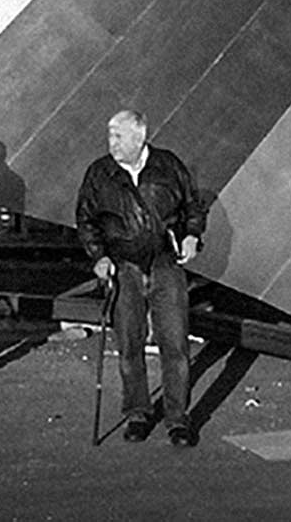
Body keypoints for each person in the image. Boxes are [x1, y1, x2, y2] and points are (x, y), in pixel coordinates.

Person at [75, 110, 206, 447]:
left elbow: (194, 206)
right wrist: (99, 256)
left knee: (174, 343)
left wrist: (192, 235)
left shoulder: (168, 166)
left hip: (165, 262)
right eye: (110, 136)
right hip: (124, 267)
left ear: (139, 136)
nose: (112, 143)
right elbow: (86, 219)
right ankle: (138, 412)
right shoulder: (99, 173)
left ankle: (178, 419)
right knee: (130, 343)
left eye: (118, 136)